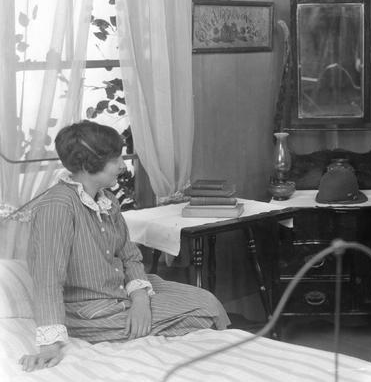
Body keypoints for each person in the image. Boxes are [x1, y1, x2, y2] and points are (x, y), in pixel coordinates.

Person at [19, 120, 230, 372]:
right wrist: (49, 344)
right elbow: (47, 278)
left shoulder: (107, 200)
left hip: (122, 293)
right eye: (115, 158)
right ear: (89, 164)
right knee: (204, 312)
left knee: (208, 300)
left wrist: (140, 300)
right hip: (90, 311)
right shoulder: (57, 207)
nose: (122, 165)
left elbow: (129, 255)